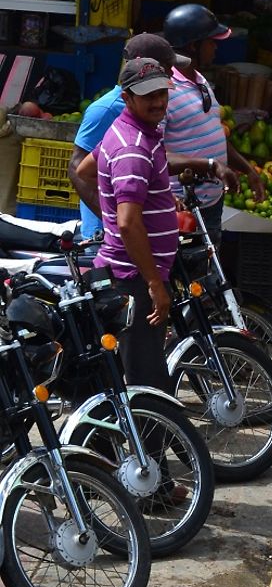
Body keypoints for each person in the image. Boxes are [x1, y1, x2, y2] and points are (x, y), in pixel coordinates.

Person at [91, 60, 183, 395]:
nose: (158, 101)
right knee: (149, 383)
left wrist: (157, 199)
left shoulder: (126, 131)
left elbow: (90, 170)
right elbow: (129, 223)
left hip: (126, 271)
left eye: (162, 93)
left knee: (137, 373)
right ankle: (152, 448)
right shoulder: (133, 148)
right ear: (127, 98)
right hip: (133, 279)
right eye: (148, 96)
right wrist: (155, 284)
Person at [70, 32, 191, 241]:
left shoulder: (149, 111)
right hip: (110, 233)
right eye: (167, 69)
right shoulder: (105, 110)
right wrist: (114, 221)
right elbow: (78, 170)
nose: (173, 74)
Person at [161, 3, 264, 241]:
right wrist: (210, 164)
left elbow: (213, 134)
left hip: (210, 202)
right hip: (180, 208)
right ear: (193, 46)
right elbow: (153, 154)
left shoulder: (200, 80)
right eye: (210, 41)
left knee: (208, 273)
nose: (215, 47)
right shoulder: (164, 91)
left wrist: (248, 169)